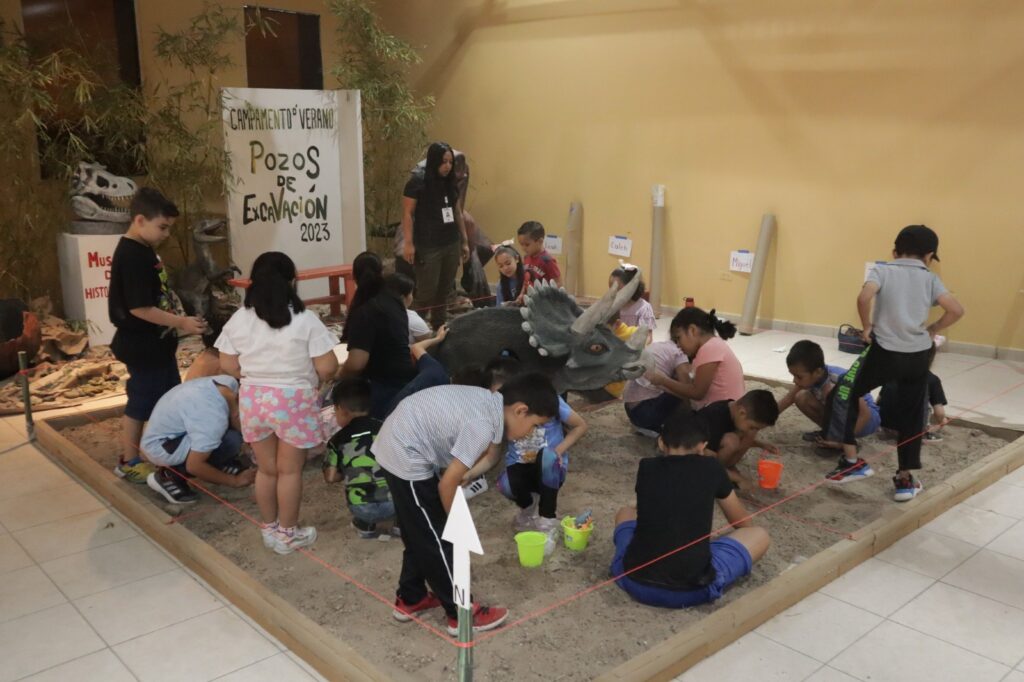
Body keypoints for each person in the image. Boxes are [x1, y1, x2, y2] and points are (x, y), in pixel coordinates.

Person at [374, 373, 558, 635]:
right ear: (521, 410)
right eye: (536, 425)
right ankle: (460, 613)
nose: (534, 432)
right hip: (405, 455)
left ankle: (411, 597)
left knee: (420, 532)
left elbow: (493, 455)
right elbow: (446, 485)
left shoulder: (493, 405)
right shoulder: (483, 424)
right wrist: (457, 524)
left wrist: (467, 475)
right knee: (439, 538)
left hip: (399, 440)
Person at [822, 225, 964, 501]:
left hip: (885, 352)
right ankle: (905, 479)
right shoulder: (931, 279)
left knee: (846, 391)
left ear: (894, 252)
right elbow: (956, 310)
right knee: (913, 417)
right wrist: (933, 328)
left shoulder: (883, 270)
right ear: (929, 255)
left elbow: (864, 297)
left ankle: (853, 462)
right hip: (917, 356)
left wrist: (866, 328)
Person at [215, 252, 339, 554]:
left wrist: (255, 376)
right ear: (292, 281)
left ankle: (269, 528)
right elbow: (328, 367)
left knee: (267, 470)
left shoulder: (239, 318)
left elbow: (227, 363)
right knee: (290, 471)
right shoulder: (305, 320)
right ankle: (287, 533)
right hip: (294, 400)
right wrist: (316, 379)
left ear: (252, 283)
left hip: (254, 400)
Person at [611, 414, 770, 609]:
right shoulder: (712, 468)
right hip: (691, 591)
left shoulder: (647, 467)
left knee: (625, 512)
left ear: (661, 443)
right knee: (759, 535)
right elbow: (742, 523)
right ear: (703, 446)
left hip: (634, 580)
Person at [108, 187, 207, 483]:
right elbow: (139, 307)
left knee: (168, 398)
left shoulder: (144, 249)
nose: (165, 234)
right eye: (162, 227)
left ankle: (167, 453)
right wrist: (181, 322)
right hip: (141, 344)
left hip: (157, 343)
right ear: (140, 220)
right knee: (141, 401)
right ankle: (129, 460)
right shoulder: (132, 254)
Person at [141, 375, 255, 504]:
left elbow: (234, 415)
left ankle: (217, 461)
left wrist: (248, 441)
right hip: (161, 447)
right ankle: (171, 475)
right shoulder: (213, 419)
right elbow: (194, 466)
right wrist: (235, 481)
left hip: (172, 431)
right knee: (232, 441)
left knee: (230, 436)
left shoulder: (227, 383)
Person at [496, 391, 588, 533]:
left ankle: (547, 517)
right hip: (521, 467)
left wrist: (559, 450)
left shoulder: (549, 399)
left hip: (550, 467)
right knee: (504, 485)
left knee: (548, 456)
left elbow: (580, 425)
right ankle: (528, 508)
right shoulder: (506, 404)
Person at [401, 141, 470, 329]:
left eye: (450, 162)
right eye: (443, 162)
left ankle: (439, 327)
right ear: (433, 161)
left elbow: (457, 212)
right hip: (428, 245)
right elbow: (408, 214)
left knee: (444, 290)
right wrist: (408, 243)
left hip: (450, 242)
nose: (447, 166)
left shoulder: (450, 183)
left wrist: (464, 241)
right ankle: (413, 328)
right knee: (426, 293)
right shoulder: (417, 183)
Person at [322, 378, 395, 539]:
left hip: (362, 508)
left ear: (341, 409)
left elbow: (331, 477)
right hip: (395, 504)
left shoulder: (337, 439)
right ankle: (399, 524)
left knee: (362, 505)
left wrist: (348, 470)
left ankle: (365, 525)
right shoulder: (385, 428)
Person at [777, 340, 880, 445]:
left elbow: (865, 414)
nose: (794, 380)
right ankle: (830, 434)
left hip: (868, 419)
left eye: (799, 376)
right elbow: (788, 399)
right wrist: (764, 419)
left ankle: (844, 440)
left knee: (829, 394)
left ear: (817, 372)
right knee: (801, 397)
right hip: (847, 415)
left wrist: (844, 443)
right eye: (793, 375)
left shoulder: (839, 380)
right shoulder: (814, 375)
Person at [643, 308, 745, 411]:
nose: (678, 345)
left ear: (692, 330)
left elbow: (697, 393)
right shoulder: (715, 344)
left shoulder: (709, 348)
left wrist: (663, 380)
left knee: (673, 420)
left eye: (679, 338)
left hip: (722, 415)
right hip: (726, 411)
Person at [696, 390, 780, 488]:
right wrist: (738, 479)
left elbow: (722, 437)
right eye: (753, 427)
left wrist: (761, 445)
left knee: (746, 434)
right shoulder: (715, 418)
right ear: (742, 413)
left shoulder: (734, 411)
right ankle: (719, 477)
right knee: (732, 441)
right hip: (696, 458)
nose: (754, 430)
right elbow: (706, 460)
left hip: (709, 451)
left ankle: (726, 470)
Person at [622, 340, 691, 437]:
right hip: (645, 413)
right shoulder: (680, 353)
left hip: (631, 410)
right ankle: (663, 427)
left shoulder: (660, 345)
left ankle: (651, 427)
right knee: (684, 391)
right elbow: (687, 392)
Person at [879, 369, 948, 443]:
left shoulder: (893, 373)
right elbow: (939, 413)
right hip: (910, 432)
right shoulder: (932, 379)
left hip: (883, 424)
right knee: (931, 409)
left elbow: (879, 400)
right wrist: (941, 423)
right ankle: (924, 433)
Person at [609, 264, 655, 344]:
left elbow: (647, 337)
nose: (614, 293)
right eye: (611, 288)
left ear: (633, 288)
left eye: (618, 289)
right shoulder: (610, 306)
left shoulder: (644, 308)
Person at [516, 221, 561, 301]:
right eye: (521, 244)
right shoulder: (526, 258)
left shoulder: (547, 260)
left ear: (540, 241)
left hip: (544, 302)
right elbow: (526, 280)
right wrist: (522, 294)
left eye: (527, 244)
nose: (523, 248)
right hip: (530, 300)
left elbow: (558, 283)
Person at [384, 272, 432, 343]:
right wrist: (438, 338)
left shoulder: (371, 310)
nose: (412, 296)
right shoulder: (412, 319)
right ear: (403, 298)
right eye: (411, 293)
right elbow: (427, 340)